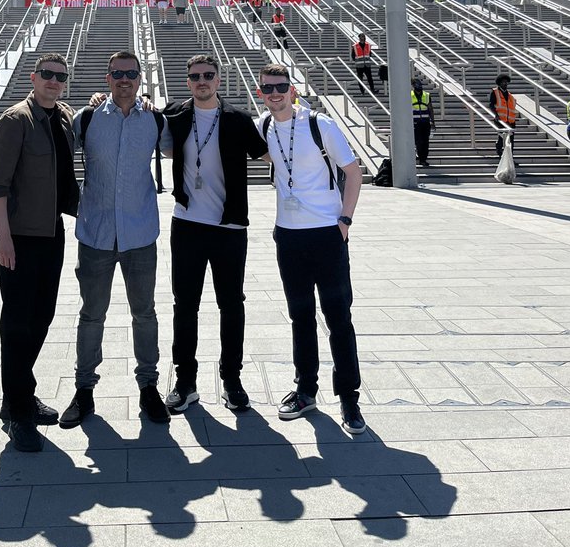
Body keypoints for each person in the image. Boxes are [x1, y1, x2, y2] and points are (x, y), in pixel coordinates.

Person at [60, 52, 172, 429]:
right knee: (92, 314)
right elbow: (56, 152)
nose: (125, 79)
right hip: (95, 233)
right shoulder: (87, 118)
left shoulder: (155, 120)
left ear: (141, 79)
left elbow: (184, 148)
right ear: (107, 78)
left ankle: (149, 386)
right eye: (117, 73)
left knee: (145, 313)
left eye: (131, 73)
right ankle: (84, 389)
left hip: (140, 233)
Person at [256, 63, 366, 434]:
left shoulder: (320, 125)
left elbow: (353, 172)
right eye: (268, 87)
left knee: (338, 318)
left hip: (326, 235)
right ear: (261, 92)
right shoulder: (265, 126)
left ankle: (349, 398)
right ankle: (306, 390)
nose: (275, 93)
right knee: (300, 317)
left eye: (281, 86)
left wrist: (345, 221)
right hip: (288, 236)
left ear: (293, 89)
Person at [163, 54, 268, 414]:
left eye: (208, 75)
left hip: (229, 227)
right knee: (185, 305)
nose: (201, 81)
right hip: (187, 224)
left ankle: (232, 378)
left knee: (231, 304)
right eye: (195, 76)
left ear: (219, 79)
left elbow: (269, 154)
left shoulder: (238, 119)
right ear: (187, 80)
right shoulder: (176, 113)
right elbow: (145, 114)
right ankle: (185, 381)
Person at [0, 53, 78, 452]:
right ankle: (16, 412)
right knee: (18, 323)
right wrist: (2, 236)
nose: (54, 81)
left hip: (51, 232)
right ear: (33, 77)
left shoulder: (63, 116)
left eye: (60, 76)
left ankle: (21, 395)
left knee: (42, 317)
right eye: (47, 75)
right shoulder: (15, 120)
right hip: (19, 236)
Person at [490, 73, 517, 159]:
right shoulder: (495, 92)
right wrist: (495, 114)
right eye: (503, 82)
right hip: (500, 119)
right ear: (499, 83)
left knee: (511, 140)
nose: (505, 84)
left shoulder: (510, 95)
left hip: (511, 121)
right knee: (502, 137)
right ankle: (499, 149)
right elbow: (491, 104)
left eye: (506, 82)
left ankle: (510, 158)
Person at [411, 77, 436, 167]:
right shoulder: (409, 95)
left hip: (425, 122)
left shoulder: (426, 95)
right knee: (419, 141)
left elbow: (430, 109)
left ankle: (423, 159)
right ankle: (421, 157)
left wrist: (432, 121)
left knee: (425, 141)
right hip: (415, 123)